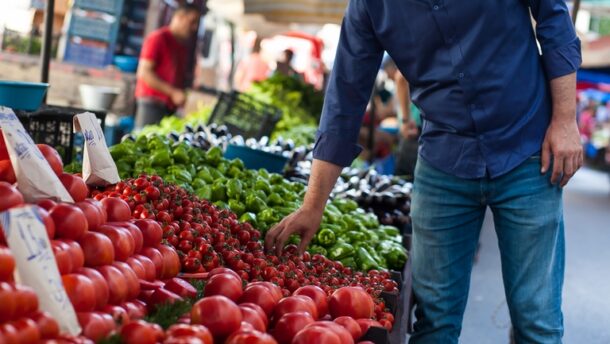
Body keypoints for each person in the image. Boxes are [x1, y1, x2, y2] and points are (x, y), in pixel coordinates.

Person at [265, 1, 582, 343]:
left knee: (537, 323)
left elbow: (553, 17)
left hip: (526, 147)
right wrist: (313, 205)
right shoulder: (370, 7)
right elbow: (345, 98)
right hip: (445, 160)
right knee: (434, 323)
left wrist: (565, 120)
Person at [134, 3, 201, 129]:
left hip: (168, 108)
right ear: (180, 17)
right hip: (151, 104)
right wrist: (173, 92)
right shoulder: (158, 38)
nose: (194, 27)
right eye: (192, 22)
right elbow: (144, 73)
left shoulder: (182, 45)